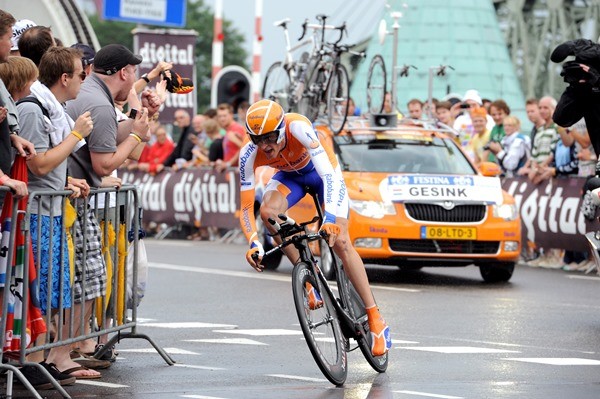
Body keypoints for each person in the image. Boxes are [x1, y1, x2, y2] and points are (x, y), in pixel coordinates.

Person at [238, 99, 391, 356]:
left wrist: (330, 219)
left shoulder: (297, 127)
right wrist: (253, 241)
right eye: (257, 140)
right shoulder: (248, 154)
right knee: (268, 213)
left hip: (323, 175)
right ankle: (308, 279)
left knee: (341, 242)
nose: (265, 146)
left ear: (281, 128)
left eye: (270, 138)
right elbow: (245, 207)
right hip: (289, 178)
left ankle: (376, 319)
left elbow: (329, 176)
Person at [15, 47, 100, 380]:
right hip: (36, 212)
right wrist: (77, 134)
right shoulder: (35, 110)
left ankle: (50, 359)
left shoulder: (52, 108)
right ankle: (34, 361)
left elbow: (49, 164)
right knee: (42, 291)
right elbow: (37, 162)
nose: (85, 80)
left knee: (56, 289)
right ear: (65, 78)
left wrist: (66, 179)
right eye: (81, 74)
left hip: (50, 209)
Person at [214, 102, 245, 172]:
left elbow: (244, 148)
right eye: (220, 116)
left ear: (231, 115)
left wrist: (228, 164)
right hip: (231, 172)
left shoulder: (237, 128)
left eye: (224, 116)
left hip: (237, 172)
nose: (222, 119)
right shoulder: (228, 130)